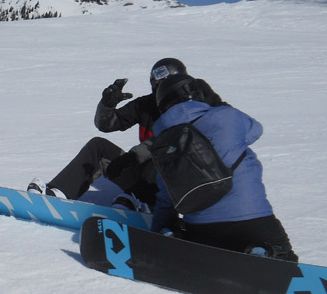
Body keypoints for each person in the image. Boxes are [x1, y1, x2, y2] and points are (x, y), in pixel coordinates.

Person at [29, 58, 222, 209]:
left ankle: (146, 205)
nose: (160, 90)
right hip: (144, 174)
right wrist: (107, 104)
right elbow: (106, 124)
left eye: (166, 84)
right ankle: (58, 193)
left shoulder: (197, 106)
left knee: (164, 154)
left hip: (183, 184)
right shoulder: (146, 104)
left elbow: (174, 142)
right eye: (156, 84)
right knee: (98, 147)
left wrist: (135, 155)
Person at [149, 73, 298, 261]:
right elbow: (255, 130)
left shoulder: (162, 144)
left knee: (191, 234)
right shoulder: (227, 117)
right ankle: (264, 252)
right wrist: (216, 105)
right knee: (286, 259)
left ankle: (177, 239)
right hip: (252, 219)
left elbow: (165, 198)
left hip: (201, 228)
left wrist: (157, 233)